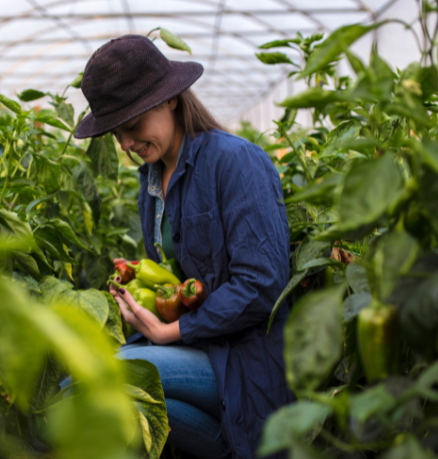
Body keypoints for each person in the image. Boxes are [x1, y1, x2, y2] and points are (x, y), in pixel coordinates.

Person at [73, 35, 294, 458]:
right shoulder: (151, 182)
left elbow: (262, 283)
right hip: (196, 350)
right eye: (116, 133)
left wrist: (170, 330)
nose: (124, 144)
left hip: (242, 360)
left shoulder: (234, 161)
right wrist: (142, 307)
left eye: (132, 125)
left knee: (103, 378)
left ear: (169, 100)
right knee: (122, 403)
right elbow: (176, 281)